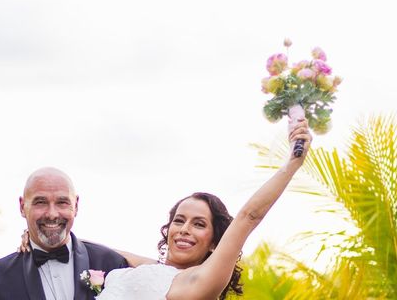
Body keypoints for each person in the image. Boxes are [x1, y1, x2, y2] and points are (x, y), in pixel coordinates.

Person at [18, 121, 312, 299]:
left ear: (213, 242)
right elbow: (84, 248)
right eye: (180, 220)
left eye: (199, 224)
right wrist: (37, 236)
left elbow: (249, 216)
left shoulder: (200, 283)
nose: (184, 229)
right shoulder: (147, 270)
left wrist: (292, 164)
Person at [0, 167, 128, 300]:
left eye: (62, 202)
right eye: (40, 202)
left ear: (76, 205)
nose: (52, 214)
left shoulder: (113, 265)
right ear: (22, 207)